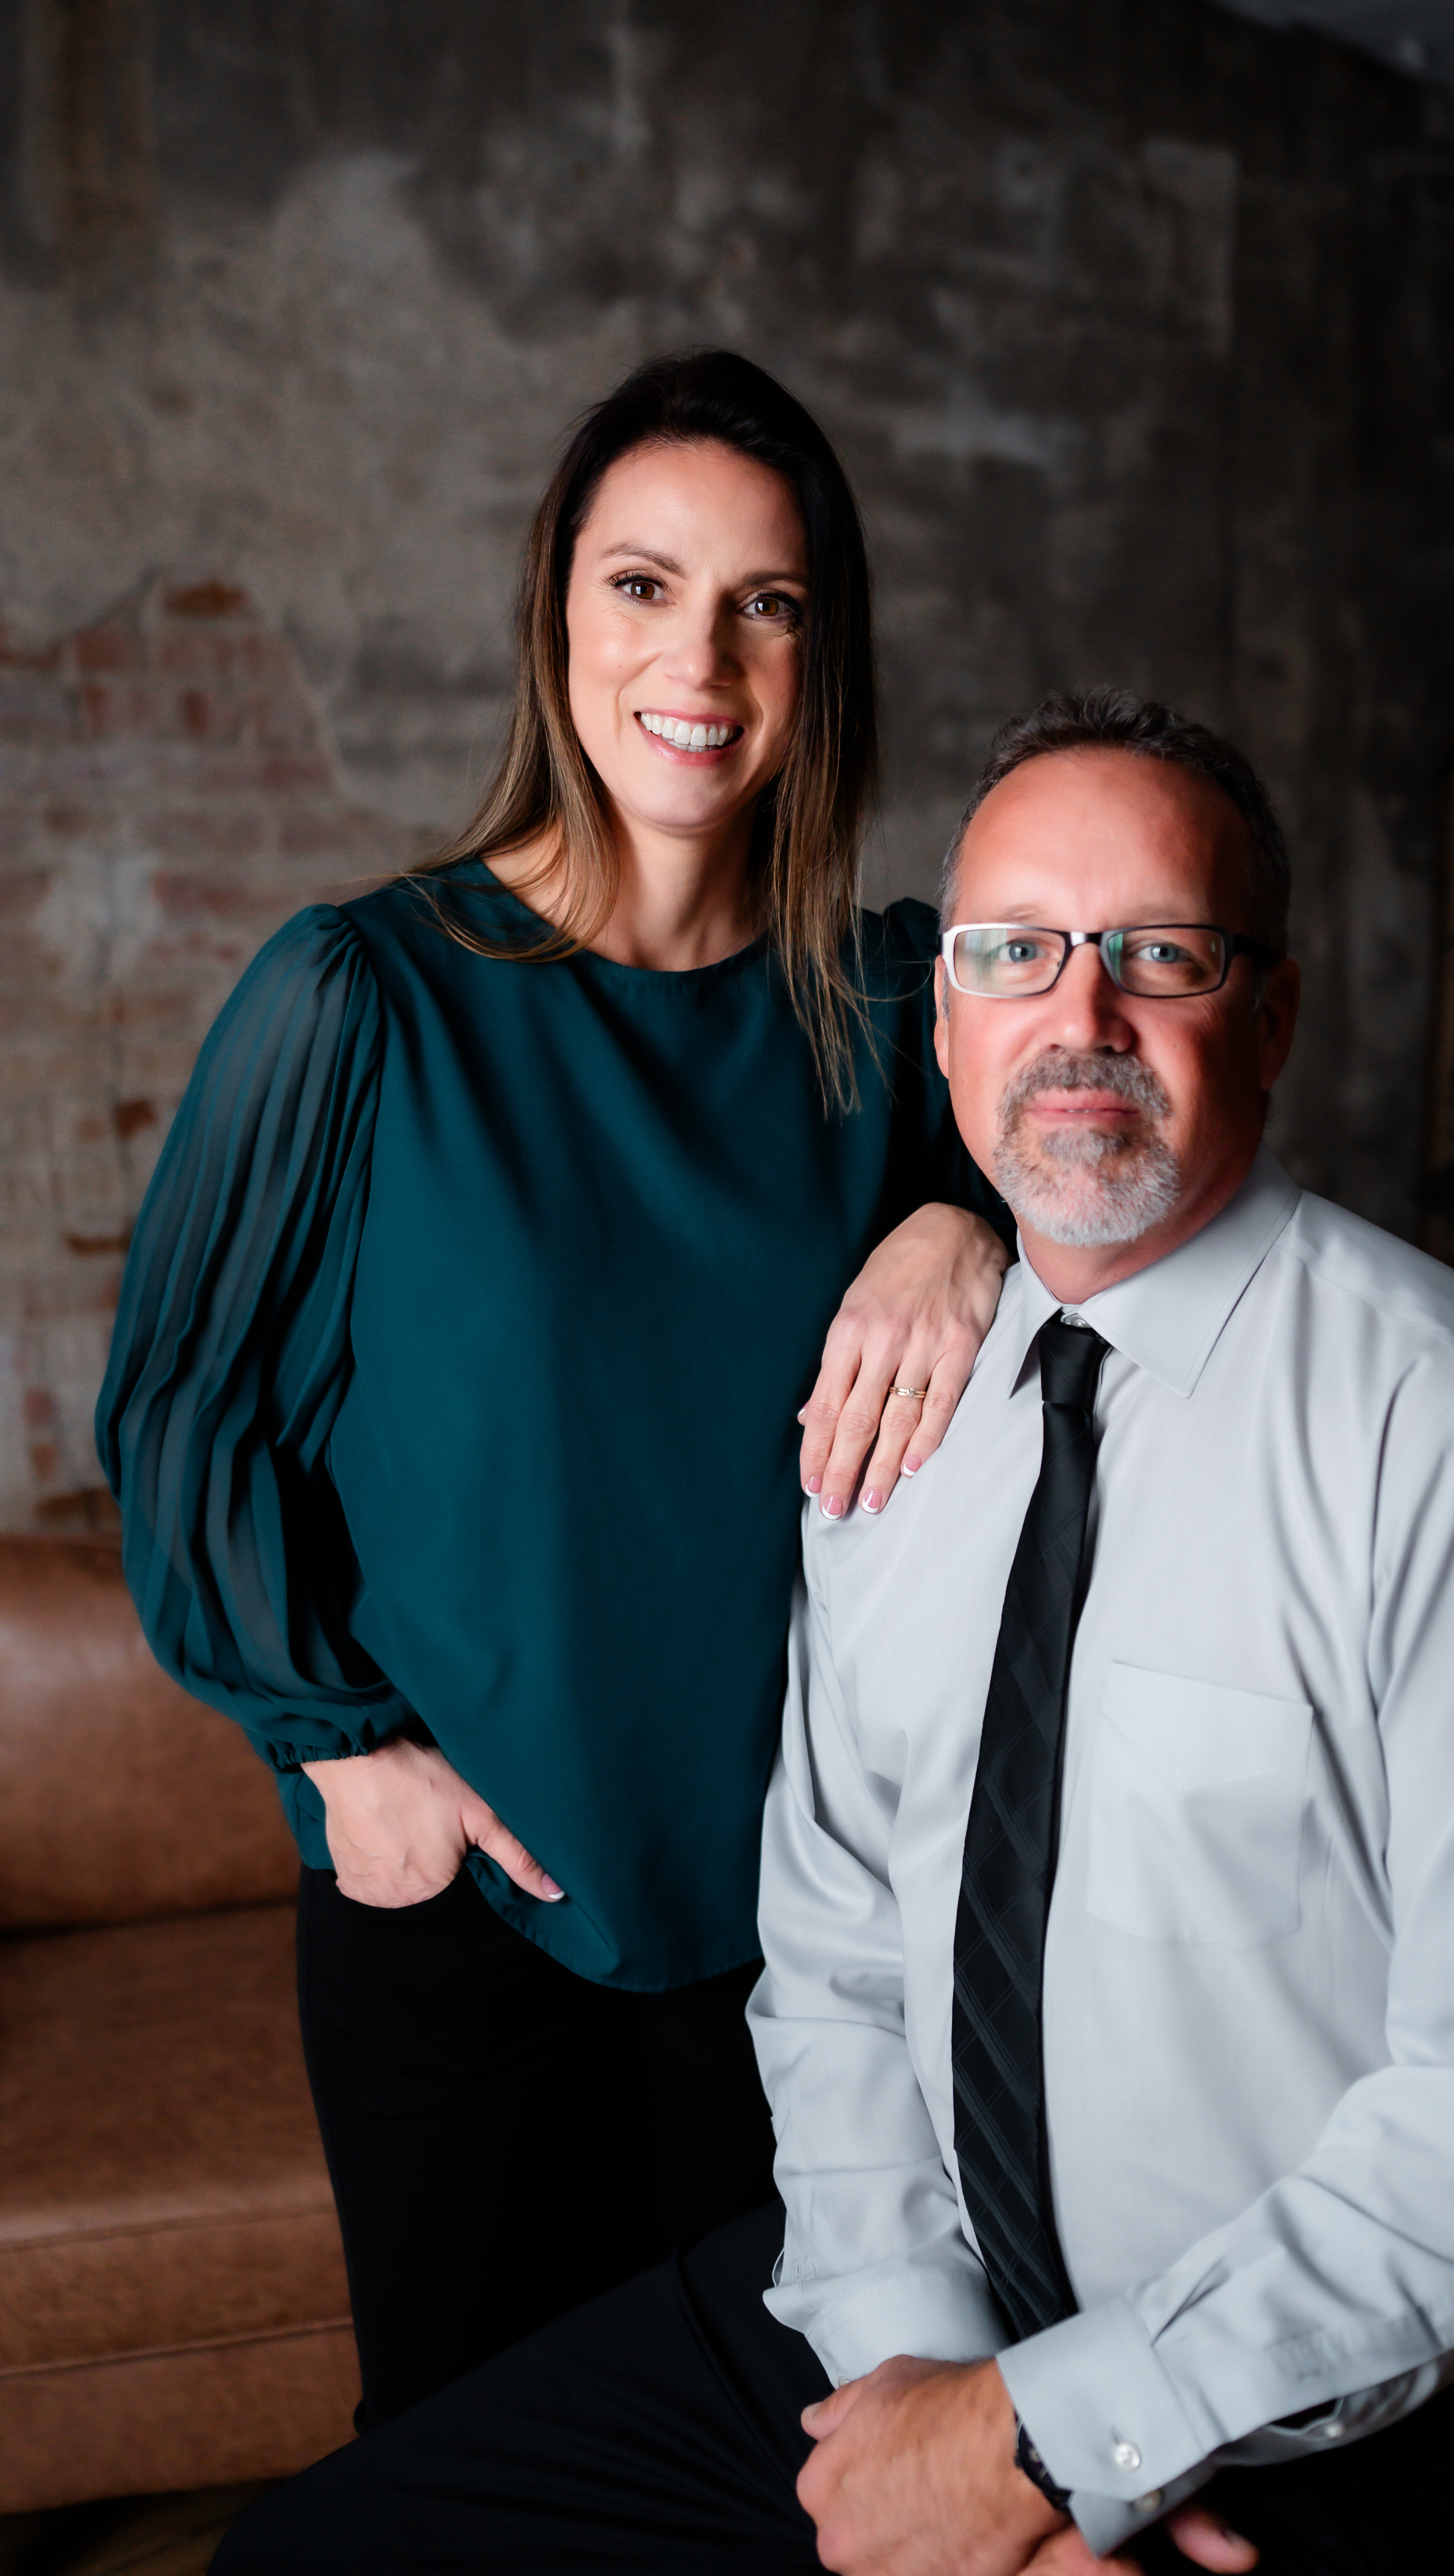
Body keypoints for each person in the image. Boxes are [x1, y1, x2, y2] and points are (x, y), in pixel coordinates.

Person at [210, 690, 1454, 2576]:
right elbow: (835, 1962)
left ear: (1273, 1014)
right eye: (1015, 953)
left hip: (1317, 2392)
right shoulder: (896, 1424)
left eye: (1160, 954)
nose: (1082, 1019)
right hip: (914, 2311)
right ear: (945, 1020)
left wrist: (1045, 2443)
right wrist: (920, 2383)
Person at [96, 349, 1012, 2429]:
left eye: (766, 603)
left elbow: (1116, 1167)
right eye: (642, 585)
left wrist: (961, 1225)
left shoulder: (892, 1009)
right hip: (473, 1905)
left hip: (809, 1933)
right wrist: (349, 1762)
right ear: (557, 612)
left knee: (757, 2476)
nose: (700, 660)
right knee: (463, 2478)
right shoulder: (363, 996)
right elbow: (183, 1414)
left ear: (824, 657)